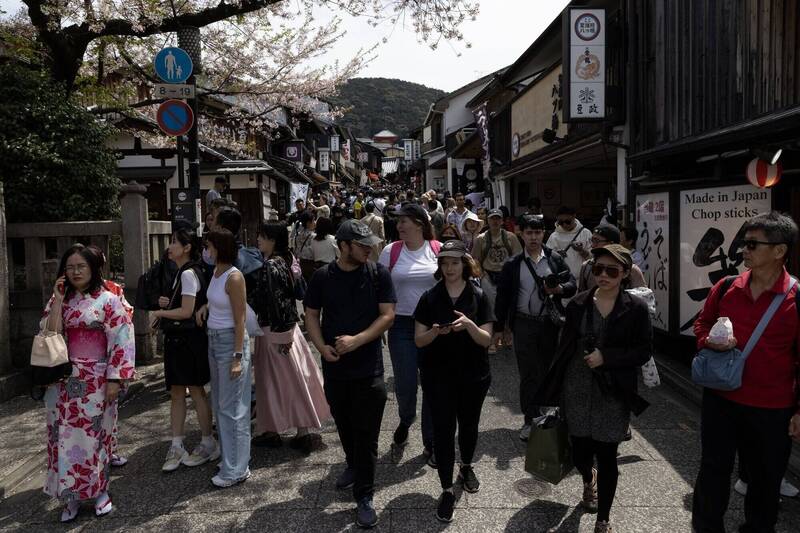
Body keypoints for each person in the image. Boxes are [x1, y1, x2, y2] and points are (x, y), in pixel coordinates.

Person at [692, 212, 800, 533]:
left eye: (752, 244)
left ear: (779, 251)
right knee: (712, 472)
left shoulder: (796, 298)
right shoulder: (727, 287)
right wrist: (708, 341)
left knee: (765, 483)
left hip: (772, 409)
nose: (743, 250)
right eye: (743, 243)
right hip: (720, 400)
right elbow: (703, 323)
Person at [535, 244, 652, 533]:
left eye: (611, 270)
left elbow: (644, 351)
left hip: (612, 391)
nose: (603, 275)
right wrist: (552, 390)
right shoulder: (577, 304)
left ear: (625, 273)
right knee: (580, 451)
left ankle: (604, 517)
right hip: (575, 385)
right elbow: (563, 348)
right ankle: (589, 479)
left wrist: (607, 357)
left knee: (608, 453)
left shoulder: (635, 308)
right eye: (597, 269)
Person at [304, 220, 396, 529]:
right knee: (343, 422)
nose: (368, 249)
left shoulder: (377, 274)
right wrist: (320, 347)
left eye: (370, 244)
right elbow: (311, 315)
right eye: (362, 245)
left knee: (367, 434)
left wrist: (357, 340)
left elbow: (388, 315)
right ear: (343, 247)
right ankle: (352, 464)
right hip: (334, 365)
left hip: (369, 366)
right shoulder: (322, 277)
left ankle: (365, 495)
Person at [41, 244, 135, 522]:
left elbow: (122, 340)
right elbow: (49, 333)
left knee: (97, 438)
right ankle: (69, 497)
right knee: (62, 438)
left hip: (96, 379)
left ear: (93, 268)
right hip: (62, 380)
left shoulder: (108, 300)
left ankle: (100, 492)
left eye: (81, 266)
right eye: (70, 267)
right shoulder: (61, 299)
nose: (75, 272)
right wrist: (57, 300)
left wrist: (116, 377)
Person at [413, 240, 494, 523]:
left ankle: (467, 466)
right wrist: (436, 332)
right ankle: (447, 489)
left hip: (474, 375)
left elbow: (486, 339)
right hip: (438, 377)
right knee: (444, 432)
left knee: (470, 426)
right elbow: (418, 340)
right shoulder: (429, 297)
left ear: (465, 264)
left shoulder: (479, 296)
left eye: (455, 263)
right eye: (445, 263)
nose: (449, 268)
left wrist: (470, 325)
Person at [494, 215, 576, 441]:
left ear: (544, 234)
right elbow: (502, 298)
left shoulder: (555, 259)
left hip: (549, 323)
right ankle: (530, 419)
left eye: (537, 233)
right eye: (529, 233)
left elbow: (572, 285)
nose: (533, 237)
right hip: (523, 323)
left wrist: (558, 289)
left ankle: (548, 416)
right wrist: (500, 328)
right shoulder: (513, 264)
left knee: (548, 370)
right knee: (529, 373)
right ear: (521, 234)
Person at [250, 223, 330, 453]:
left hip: (274, 330)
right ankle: (299, 430)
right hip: (286, 329)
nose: (258, 240)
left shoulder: (271, 265)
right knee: (295, 378)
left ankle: (275, 430)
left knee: (276, 382)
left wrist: (281, 333)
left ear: (272, 240)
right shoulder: (287, 260)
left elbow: (276, 301)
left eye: (262, 236)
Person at [379, 202, 441, 464]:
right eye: (398, 221)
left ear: (418, 223)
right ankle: (406, 419)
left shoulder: (436, 250)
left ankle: (431, 440)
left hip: (432, 326)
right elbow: (379, 288)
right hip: (401, 326)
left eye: (403, 220)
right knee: (405, 383)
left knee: (432, 384)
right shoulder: (390, 252)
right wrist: (380, 321)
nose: (399, 225)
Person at [152, 228, 217, 472]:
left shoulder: (188, 273)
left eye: (173, 242)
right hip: (186, 340)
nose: (169, 247)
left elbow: (186, 311)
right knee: (183, 391)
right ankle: (181, 442)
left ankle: (205, 441)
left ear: (187, 247)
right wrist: (166, 303)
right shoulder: (188, 272)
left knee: (193, 391)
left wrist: (159, 313)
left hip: (185, 339)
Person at [195, 229, 252, 488]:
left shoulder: (234, 276)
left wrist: (238, 356)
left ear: (219, 247)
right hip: (214, 340)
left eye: (208, 246)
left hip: (231, 343)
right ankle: (231, 459)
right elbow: (219, 302)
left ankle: (236, 469)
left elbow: (240, 319)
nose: (205, 251)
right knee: (221, 405)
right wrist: (206, 307)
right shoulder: (216, 272)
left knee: (233, 410)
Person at [85, 245, 133, 468]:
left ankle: (109, 451)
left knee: (108, 410)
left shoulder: (112, 290)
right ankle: (85, 460)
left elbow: (125, 316)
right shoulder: (66, 295)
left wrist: (118, 372)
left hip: (106, 358)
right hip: (76, 364)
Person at [471, 209, 522, 354]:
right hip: (488, 275)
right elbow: (475, 259)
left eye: (498, 219)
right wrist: (480, 275)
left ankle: (507, 334)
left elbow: (518, 257)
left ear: (502, 220)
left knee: (507, 305)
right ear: (488, 220)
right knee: (492, 307)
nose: (495, 221)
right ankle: (493, 339)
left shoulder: (510, 237)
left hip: (506, 275)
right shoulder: (481, 239)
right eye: (492, 218)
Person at [577, 226, 646, 292]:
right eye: (597, 270)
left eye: (612, 271)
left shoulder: (632, 270)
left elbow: (643, 298)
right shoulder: (587, 266)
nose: (603, 274)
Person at [546, 205, 593, 279]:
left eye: (568, 222)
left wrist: (581, 250)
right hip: (564, 281)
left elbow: (593, 258)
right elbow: (547, 259)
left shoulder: (585, 233)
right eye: (561, 222)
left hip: (583, 279)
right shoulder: (554, 236)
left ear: (574, 216)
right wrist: (557, 256)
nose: (564, 225)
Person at [291, 211, 317, 281]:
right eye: (313, 220)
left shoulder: (298, 235)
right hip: (310, 265)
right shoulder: (314, 236)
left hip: (299, 264)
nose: (315, 222)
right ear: (308, 223)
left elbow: (295, 250)